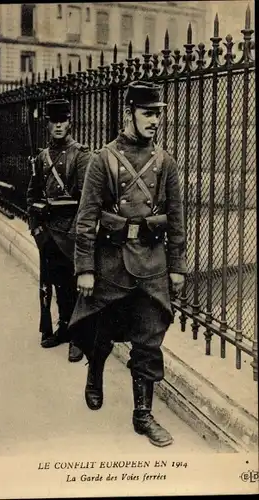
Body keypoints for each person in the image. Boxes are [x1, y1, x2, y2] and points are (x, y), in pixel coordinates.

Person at [69, 81, 187, 446]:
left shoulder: (165, 162)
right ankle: (96, 372)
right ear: (129, 114)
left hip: (151, 265)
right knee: (100, 331)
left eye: (157, 114)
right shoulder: (102, 160)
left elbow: (177, 218)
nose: (154, 120)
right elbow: (86, 218)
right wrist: (85, 267)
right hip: (111, 264)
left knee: (148, 340)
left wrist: (177, 265)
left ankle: (142, 415)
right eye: (147, 113)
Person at [26, 98, 92, 362]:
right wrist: (37, 230)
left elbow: (88, 200)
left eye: (62, 121)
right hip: (49, 233)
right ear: (48, 124)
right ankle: (63, 327)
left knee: (75, 286)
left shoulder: (81, 154)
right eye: (53, 122)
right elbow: (31, 196)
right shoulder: (42, 157)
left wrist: (77, 232)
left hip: (71, 232)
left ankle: (78, 336)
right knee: (54, 283)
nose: (58, 126)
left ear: (69, 123)